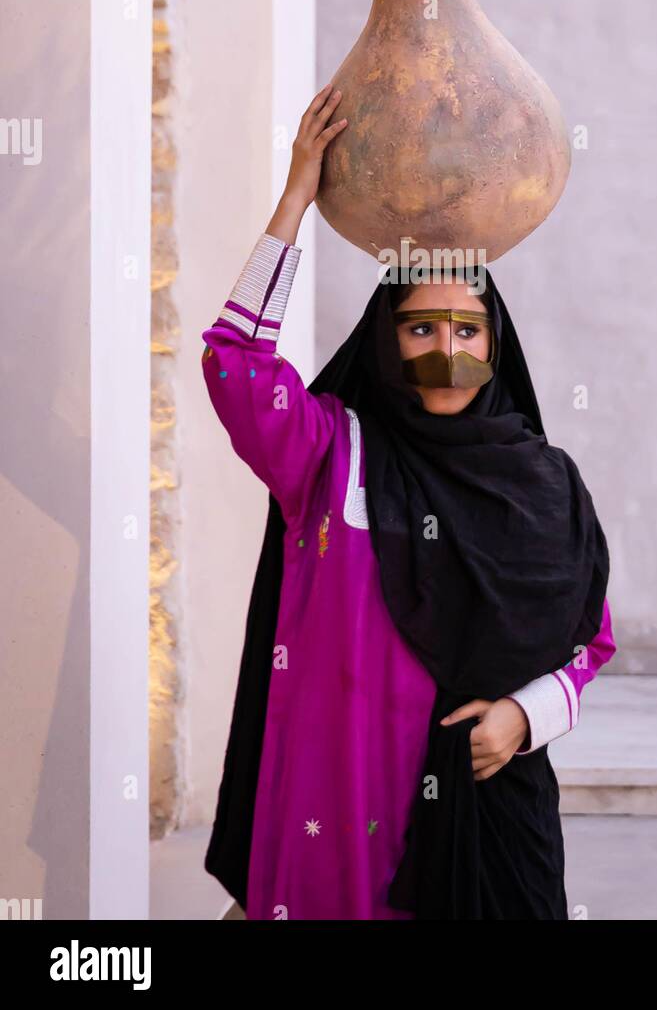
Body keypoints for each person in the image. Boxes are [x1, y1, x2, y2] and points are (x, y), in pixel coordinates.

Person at [201, 81, 616, 920]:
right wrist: (295, 199)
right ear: (386, 344)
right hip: (341, 800)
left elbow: (589, 640)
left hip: (481, 795)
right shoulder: (329, 455)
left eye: (466, 332)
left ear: (493, 347)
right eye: (420, 329)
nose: (445, 350)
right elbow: (235, 364)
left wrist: (525, 716)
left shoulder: (543, 481)